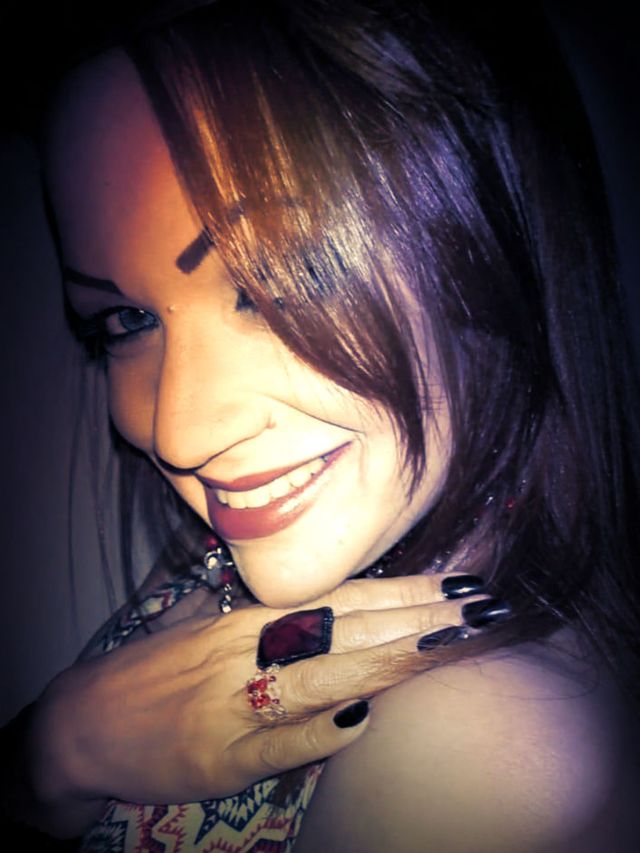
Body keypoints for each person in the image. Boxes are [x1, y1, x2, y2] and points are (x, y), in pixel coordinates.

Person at [3, 0, 640, 850]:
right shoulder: (235, 546)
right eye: (126, 320)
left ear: (486, 240)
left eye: (277, 277)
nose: (180, 434)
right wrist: (58, 746)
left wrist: (51, 763)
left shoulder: (477, 747)